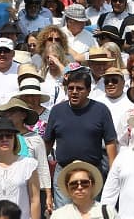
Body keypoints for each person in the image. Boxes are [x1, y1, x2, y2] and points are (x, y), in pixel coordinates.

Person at [44, 68, 118, 207]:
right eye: (71, 88)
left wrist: (113, 171)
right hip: (63, 171)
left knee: (91, 215)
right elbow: (47, 142)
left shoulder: (101, 110)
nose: (74, 92)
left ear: (89, 90)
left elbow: (110, 142)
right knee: (63, 215)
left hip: (92, 172)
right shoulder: (57, 111)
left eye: (79, 88)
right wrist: (42, 170)